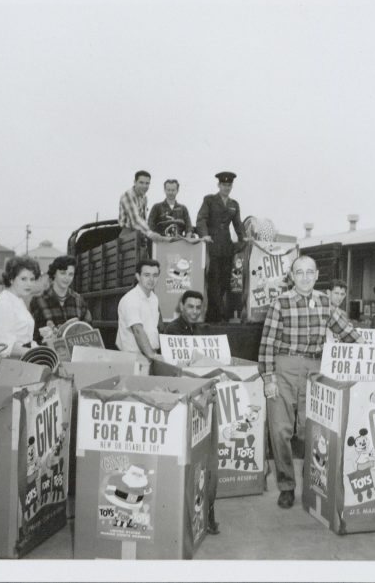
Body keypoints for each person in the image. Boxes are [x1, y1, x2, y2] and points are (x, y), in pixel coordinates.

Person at [259, 255, 363, 508]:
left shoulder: (326, 303)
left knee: (312, 430)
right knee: (281, 430)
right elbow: (267, 344)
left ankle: (312, 479)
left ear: (317, 276)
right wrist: (269, 378)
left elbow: (351, 335)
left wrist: (366, 353)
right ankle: (286, 486)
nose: (304, 277)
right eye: (299, 272)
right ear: (291, 276)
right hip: (284, 367)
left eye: (309, 272)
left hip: (315, 369)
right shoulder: (280, 303)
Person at [162, 290, 220, 534]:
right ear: (181, 306)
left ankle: (207, 511)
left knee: (207, 456)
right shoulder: (170, 330)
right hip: (184, 397)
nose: (195, 311)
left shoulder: (205, 331)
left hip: (204, 396)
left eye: (198, 307)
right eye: (191, 306)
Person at [196, 171, 246, 322]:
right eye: (224, 185)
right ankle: (218, 315)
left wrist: (244, 238)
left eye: (229, 185)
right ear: (219, 185)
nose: (226, 187)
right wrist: (204, 235)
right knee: (214, 280)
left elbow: (238, 224)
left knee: (224, 281)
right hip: (212, 245)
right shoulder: (210, 200)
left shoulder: (234, 204)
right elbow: (201, 219)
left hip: (227, 247)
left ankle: (214, 315)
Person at [29, 255, 92, 340]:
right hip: (48, 352)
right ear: (54, 273)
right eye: (63, 273)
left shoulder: (79, 300)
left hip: (74, 352)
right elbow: (30, 333)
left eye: (71, 274)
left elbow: (88, 329)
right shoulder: (38, 301)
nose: (67, 278)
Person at [0, 256, 41, 358]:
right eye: (23, 279)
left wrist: (39, 348)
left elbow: (25, 339)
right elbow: (4, 348)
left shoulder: (17, 300)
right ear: (11, 279)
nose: (29, 284)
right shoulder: (4, 304)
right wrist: (38, 353)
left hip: (23, 360)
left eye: (32, 279)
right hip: (11, 364)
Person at [116, 259, 163, 358]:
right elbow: (137, 330)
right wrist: (152, 356)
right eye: (146, 275)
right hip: (132, 358)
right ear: (138, 276)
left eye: (155, 275)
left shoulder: (154, 298)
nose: (151, 279)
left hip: (149, 355)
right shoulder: (131, 299)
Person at [118, 170, 169, 253]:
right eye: (141, 183)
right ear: (135, 182)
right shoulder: (128, 195)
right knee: (132, 260)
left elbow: (143, 219)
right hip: (128, 233)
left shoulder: (144, 198)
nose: (144, 186)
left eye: (147, 183)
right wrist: (150, 234)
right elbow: (136, 220)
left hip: (140, 233)